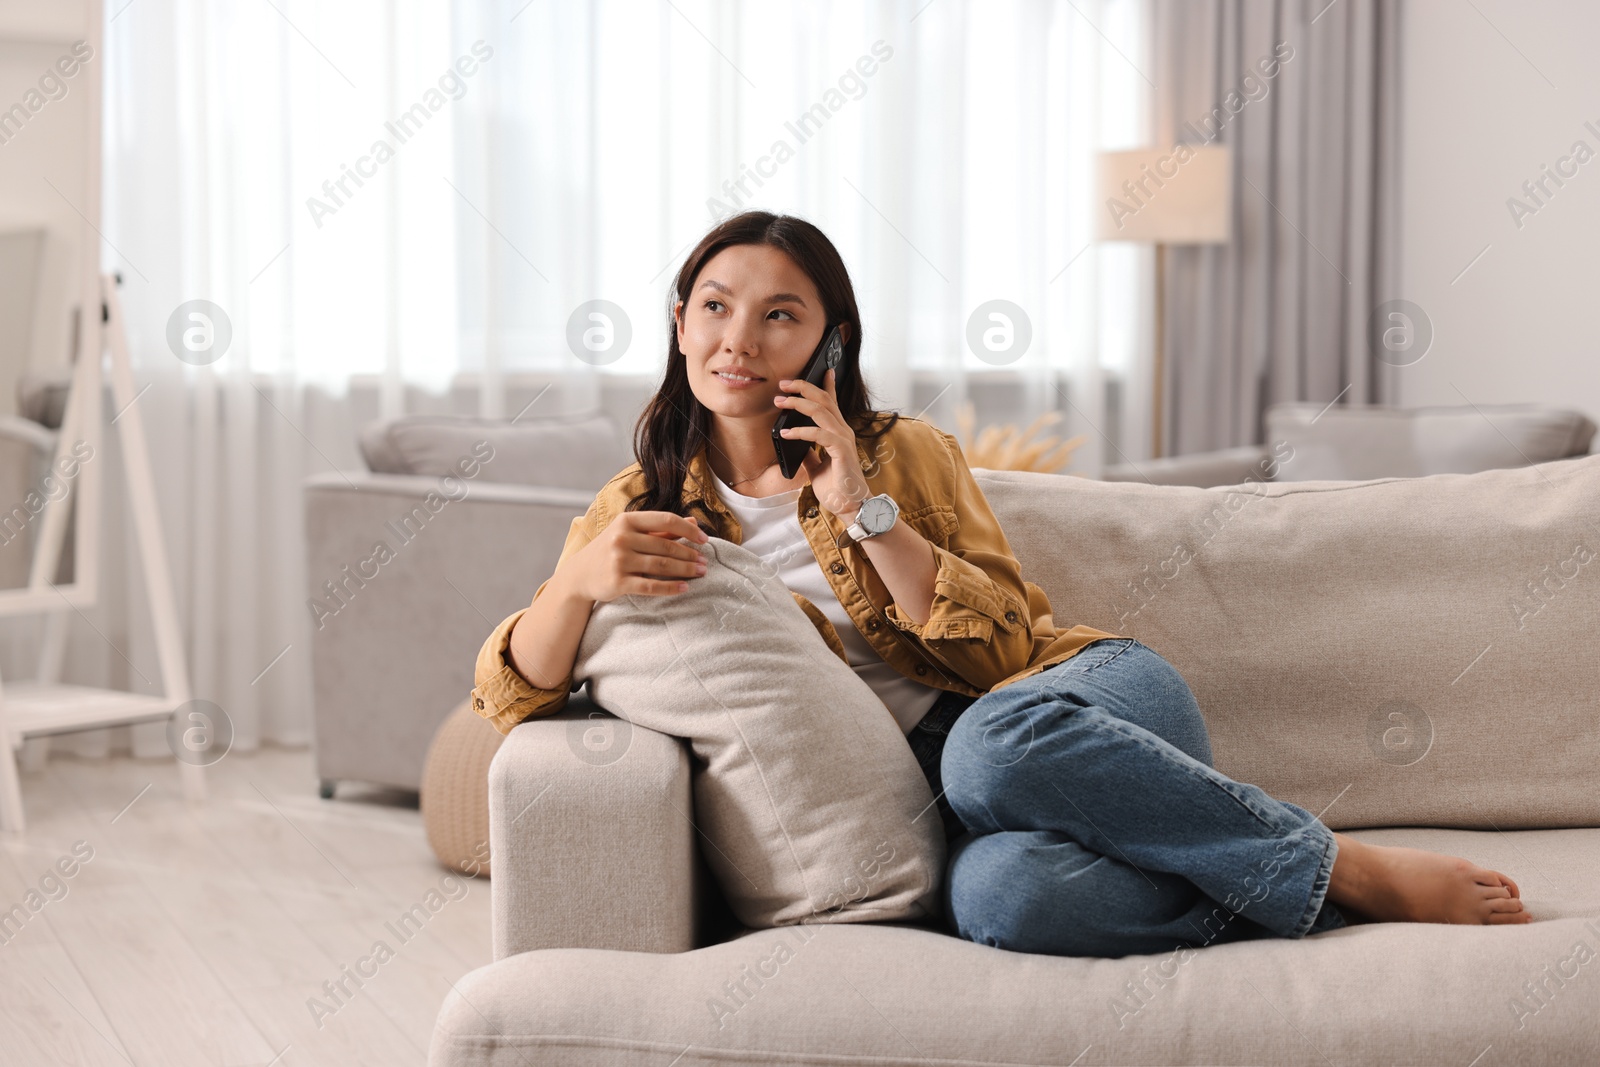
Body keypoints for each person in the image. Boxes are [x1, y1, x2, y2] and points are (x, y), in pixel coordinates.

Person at [470, 210, 1533, 958]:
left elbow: (1001, 649)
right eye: (714, 305)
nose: (739, 339)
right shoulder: (640, 502)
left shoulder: (900, 451)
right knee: (1002, 897)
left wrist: (862, 512)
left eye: (779, 314)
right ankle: (1257, 887)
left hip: (1069, 703)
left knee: (985, 745)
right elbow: (508, 698)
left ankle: (1337, 863)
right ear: (679, 320)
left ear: (830, 341)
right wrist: (574, 586)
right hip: (937, 801)